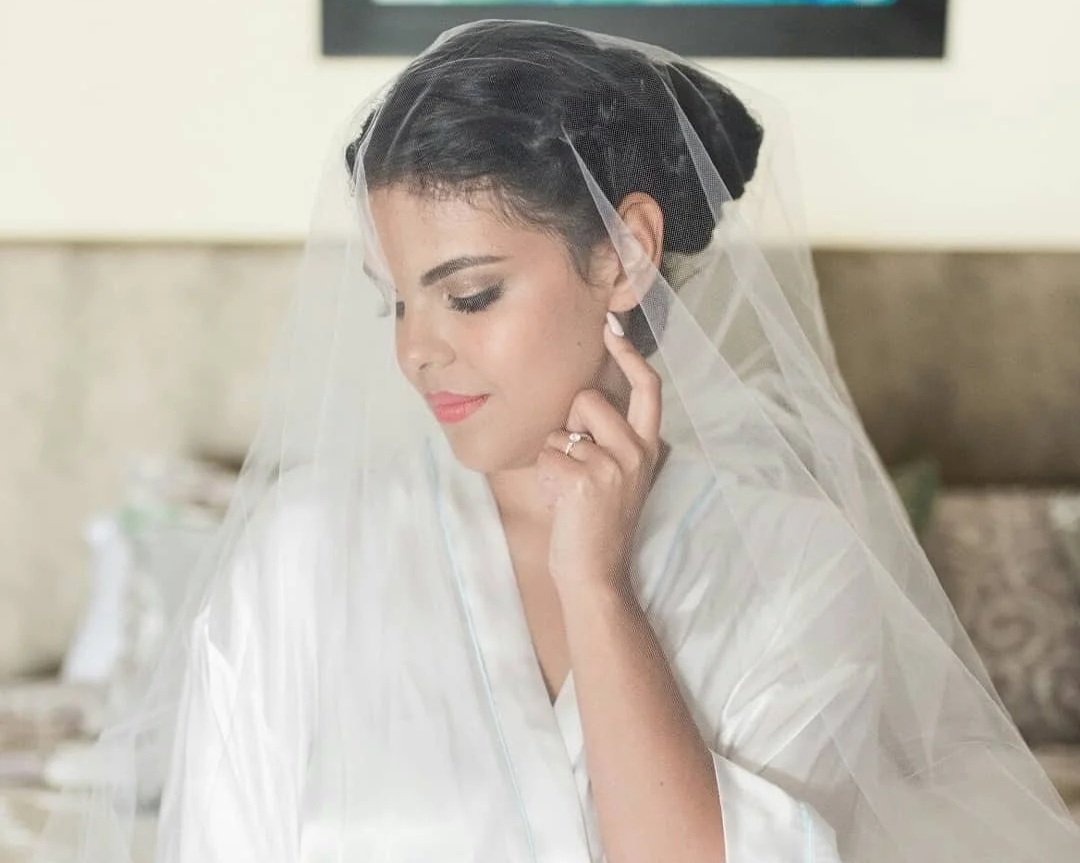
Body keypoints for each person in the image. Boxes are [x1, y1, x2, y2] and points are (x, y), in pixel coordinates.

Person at [36, 18, 1080, 863]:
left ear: (624, 254)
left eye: (471, 294)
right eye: (394, 304)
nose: (416, 353)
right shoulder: (302, 556)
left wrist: (598, 585)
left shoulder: (794, 567)